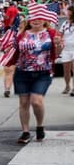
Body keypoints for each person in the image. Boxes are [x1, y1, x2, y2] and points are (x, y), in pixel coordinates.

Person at [13, 12, 62, 145]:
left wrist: (58, 44)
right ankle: (25, 131)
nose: (36, 21)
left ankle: (40, 125)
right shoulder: (21, 34)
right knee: (24, 102)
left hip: (43, 73)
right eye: (33, 18)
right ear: (29, 20)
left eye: (40, 18)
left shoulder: (51, 33)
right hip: (22, 72)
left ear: (45, 20)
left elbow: (57, 54)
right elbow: (13, 51)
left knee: (36, 101)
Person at [58, 4, 74, 95]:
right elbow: (60, 34)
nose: (67, 13)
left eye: (68, 11)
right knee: (66, 70)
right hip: (66, 49)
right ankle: (67, 86)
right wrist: (58, 39)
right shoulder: (65, 23)